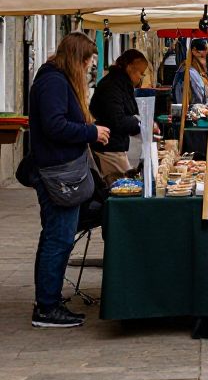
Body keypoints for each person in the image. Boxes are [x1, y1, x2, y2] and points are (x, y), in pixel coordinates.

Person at [29, 32, 110, 328]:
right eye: (89, 63)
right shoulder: (53, 82)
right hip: (58, 173)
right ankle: (47, 307)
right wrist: (91, 132)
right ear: (78, 59)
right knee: (59, 238)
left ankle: (47, 300)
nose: (89, 69)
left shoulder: (56, 79)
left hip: (61, 170)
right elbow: (55, 125)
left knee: (56, 236)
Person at [90, 49, 149, 185]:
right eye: (140, 73)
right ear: (129, 68)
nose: (141, 77)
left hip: (115, 145)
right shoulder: (112, 86)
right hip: (108, 148)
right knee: (125, 185)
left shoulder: (122, 84)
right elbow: (118, 120)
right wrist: (140, 123)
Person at [171, 39, 208, 108]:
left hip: (201, 110)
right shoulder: (185, 71)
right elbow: (180, 99)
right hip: (188, 111)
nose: (205, 54)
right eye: (203, 56)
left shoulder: (200, 71)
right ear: (194, 51)